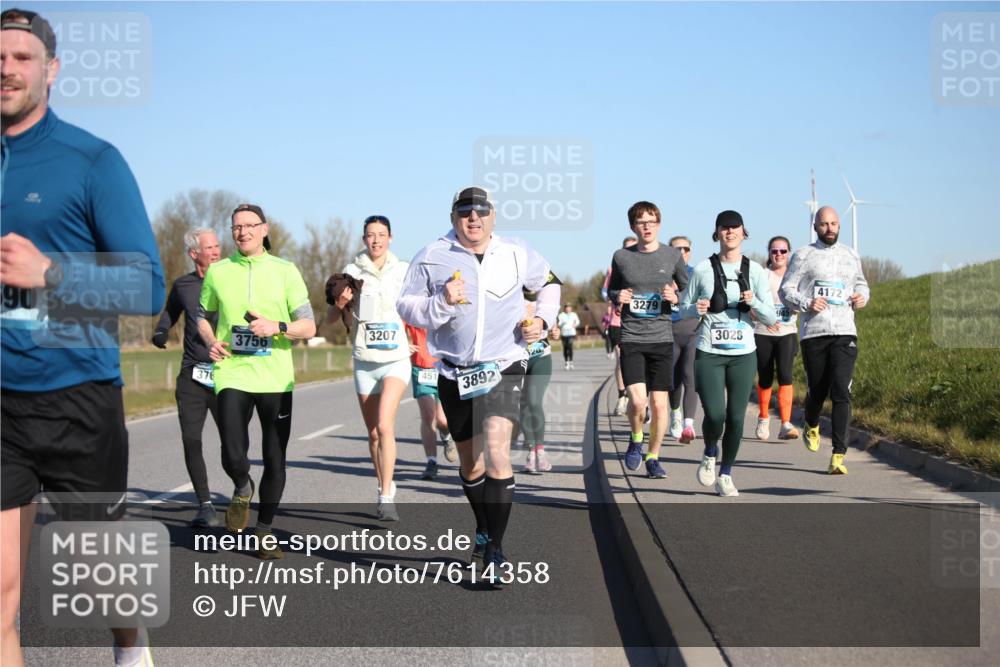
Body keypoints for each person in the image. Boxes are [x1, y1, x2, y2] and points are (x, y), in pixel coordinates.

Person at [0, 9, 165, 666]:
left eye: (21, 57)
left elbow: (149, 288)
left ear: (51, 70)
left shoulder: (93, 161)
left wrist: (51, 273)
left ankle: (130, 643)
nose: (6, 68)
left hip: (78, 398)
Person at [397, 186, 558, 570]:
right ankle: (484, 531)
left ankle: (496, 552)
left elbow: (550, 283)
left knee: (499, 452)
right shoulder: (433, 255)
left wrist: (542, 320)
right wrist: (441, 302)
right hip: (455, 371)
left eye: (481, 211)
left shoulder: (517, 252)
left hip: (504, 363)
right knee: (471, 465)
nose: (474, 218)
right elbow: (406, 304)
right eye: (465, 211)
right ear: (453, 217)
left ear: (493, 216)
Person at [197, 204, 315, 557]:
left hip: (276, 378)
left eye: (250, 225)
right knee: (234, 452)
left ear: (264, 229)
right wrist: (210, 340)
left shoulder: (285, 270)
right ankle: (242, 484)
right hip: (232, 373)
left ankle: (264, 531)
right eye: (236, 226)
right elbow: (202, 316)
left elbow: (308, 326)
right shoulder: (218, 272)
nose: (243, 232)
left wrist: (277, 327)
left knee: (275, 457)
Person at [678, 211, 777, 497]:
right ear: (717, 233)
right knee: (716, 414)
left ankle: (726, 473)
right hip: (709, 351)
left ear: (744, 233)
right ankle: (710, 452)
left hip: (743, 354)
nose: (730, 232)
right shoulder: (702, 270)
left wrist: (754, 302)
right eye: (724, 228)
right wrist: (694, 309)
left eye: (735, 228)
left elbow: (770, 317)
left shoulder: (756, 271)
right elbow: (680, 309)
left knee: (736, 417)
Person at [327, 215, 411, 520]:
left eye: (381, 234)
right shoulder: (351, 272)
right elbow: (332, 321)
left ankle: (387, 496)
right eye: (370, 235)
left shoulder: (403, 271)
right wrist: (339, 305)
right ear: (364, 239)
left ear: (390, 238)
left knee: (386, 426)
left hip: (396, 359)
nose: (376, 240)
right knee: (373, 433)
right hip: (364, 360)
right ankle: (381, 485)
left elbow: (416, 307)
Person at [779, 206, 869, 474]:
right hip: (815, 333)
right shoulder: (803, 255)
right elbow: (786, 290)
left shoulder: (851, 255)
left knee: (841, 390)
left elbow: (861, 283)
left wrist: (862, 296)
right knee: (818, 390)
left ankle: (838, 455)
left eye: (834, 223)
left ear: (840, 225)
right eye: (824, 224)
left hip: (844, 331)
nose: (829, 228)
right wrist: (807, 302)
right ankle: (811, 421)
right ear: (815, 226)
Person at [607, 202, 689, 479]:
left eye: (652, 221)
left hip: (662, 339)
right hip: (632, 337)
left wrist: (675, 298)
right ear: (633, 226)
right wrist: (617, 296)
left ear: (659, 224)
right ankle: (635, 438)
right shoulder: (621, 257)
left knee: (659, 404)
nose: (647, 226)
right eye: (641, 222)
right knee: (639, 402)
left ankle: (653, 457)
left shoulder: (672, 256)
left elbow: (687, 289)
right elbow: (612, 289)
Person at [151, 228, 223, 528]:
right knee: (191, 440)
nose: (217, 251)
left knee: (235, 445)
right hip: (192, 373)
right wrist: (160, 331)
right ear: (194, 253)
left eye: (218, 245)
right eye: (210, 247)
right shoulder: (183, 285)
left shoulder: (231, 280)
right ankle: (205, 505)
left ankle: (242, 488)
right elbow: (170, 311)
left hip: (227, 376)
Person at [752, 235, 800, 441]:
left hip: (787, 332)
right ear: (769, 254)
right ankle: (763, 417)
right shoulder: (762, 275)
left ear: (789, 253)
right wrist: (765, 318)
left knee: (785, 375)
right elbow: (751, 304)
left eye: (783, 251)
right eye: (774, 251)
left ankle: (786, 423)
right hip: (763, 331)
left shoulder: (795, 276)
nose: (778, 254)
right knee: (764, 377)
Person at [404, 321, 456, 480]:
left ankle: (446, 437)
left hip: (444, 367)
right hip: (421, 368)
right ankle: (431, 462)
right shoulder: (415, 306)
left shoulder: (447, 305)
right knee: (428, 416)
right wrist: (402, 344)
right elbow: (397, 325)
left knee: (443, 420)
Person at [521, 281, 561, 474]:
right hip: (516, 359)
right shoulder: (511, 299)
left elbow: (555, 331)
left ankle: (541, 450)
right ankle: (531, 452)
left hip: (540, 357)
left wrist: (555, 332)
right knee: (522, 404)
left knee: (534, 402)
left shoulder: (547, 301)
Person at [668, 236, 699, 444]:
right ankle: (675, 413)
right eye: (676, 249)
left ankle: (688, 424)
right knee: (673, 380)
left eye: (685, 249)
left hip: (692, 330)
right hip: (668, 331)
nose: (681, 252)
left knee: (690, 377)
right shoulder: (660, 275)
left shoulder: (697, 274)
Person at [602, 236, 638, 416]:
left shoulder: (645, 268)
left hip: (639, 321)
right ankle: (622, 396)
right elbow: (604, 291)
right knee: (621, 358)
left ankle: (637, 397)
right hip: (618, 320)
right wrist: (616, 297)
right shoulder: (613, 268)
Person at [556, 304, 580, 370]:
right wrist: (562, 323)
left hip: (571, 333)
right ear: (565, 308)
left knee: (570, 346)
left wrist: (575, 325)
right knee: (565, 348)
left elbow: (577, 321)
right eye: (567, 308)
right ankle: (566, 362)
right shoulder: (561, 315)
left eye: (569, 308)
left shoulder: (574, 314)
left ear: (571, 308)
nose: (568, 309)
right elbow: (558, 324)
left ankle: (571, 361)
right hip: (564, 333)